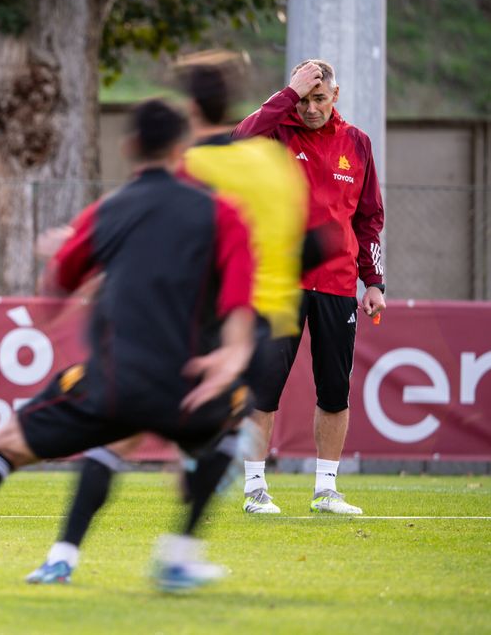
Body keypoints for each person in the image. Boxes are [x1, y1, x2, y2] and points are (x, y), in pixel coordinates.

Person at [0, 99, 257, 599]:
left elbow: (53, 298)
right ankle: (179, 555)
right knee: (238, 423)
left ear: (130, 148)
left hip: (112, 386)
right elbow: (239, 303)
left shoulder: (108, 212)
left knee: (2, 446)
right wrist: (231, 358)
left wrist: (68, 251)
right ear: (181, 149)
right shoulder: (222, 214)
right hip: (186, 387)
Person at [24, 53, 313, 585]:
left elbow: (158, 239)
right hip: (269, 326)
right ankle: (183, 534)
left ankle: (65, 554)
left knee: (124, 437)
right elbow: (311, 242)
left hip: (197, 323)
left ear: (189, 108)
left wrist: (82, 251)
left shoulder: (191, 171)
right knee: (223, 437)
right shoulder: (277, 166)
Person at [233, 58, 385, 515]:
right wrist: (286, 96)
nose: (311, 108)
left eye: (319, 99)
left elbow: (369, 218)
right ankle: (255, 489)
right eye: (303, 99)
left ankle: (326, 490)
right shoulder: (275, 132)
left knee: (335, 391)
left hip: (338, 285)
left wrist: (373, 280)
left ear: (334, 97)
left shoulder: (357, 143)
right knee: (264, 386)